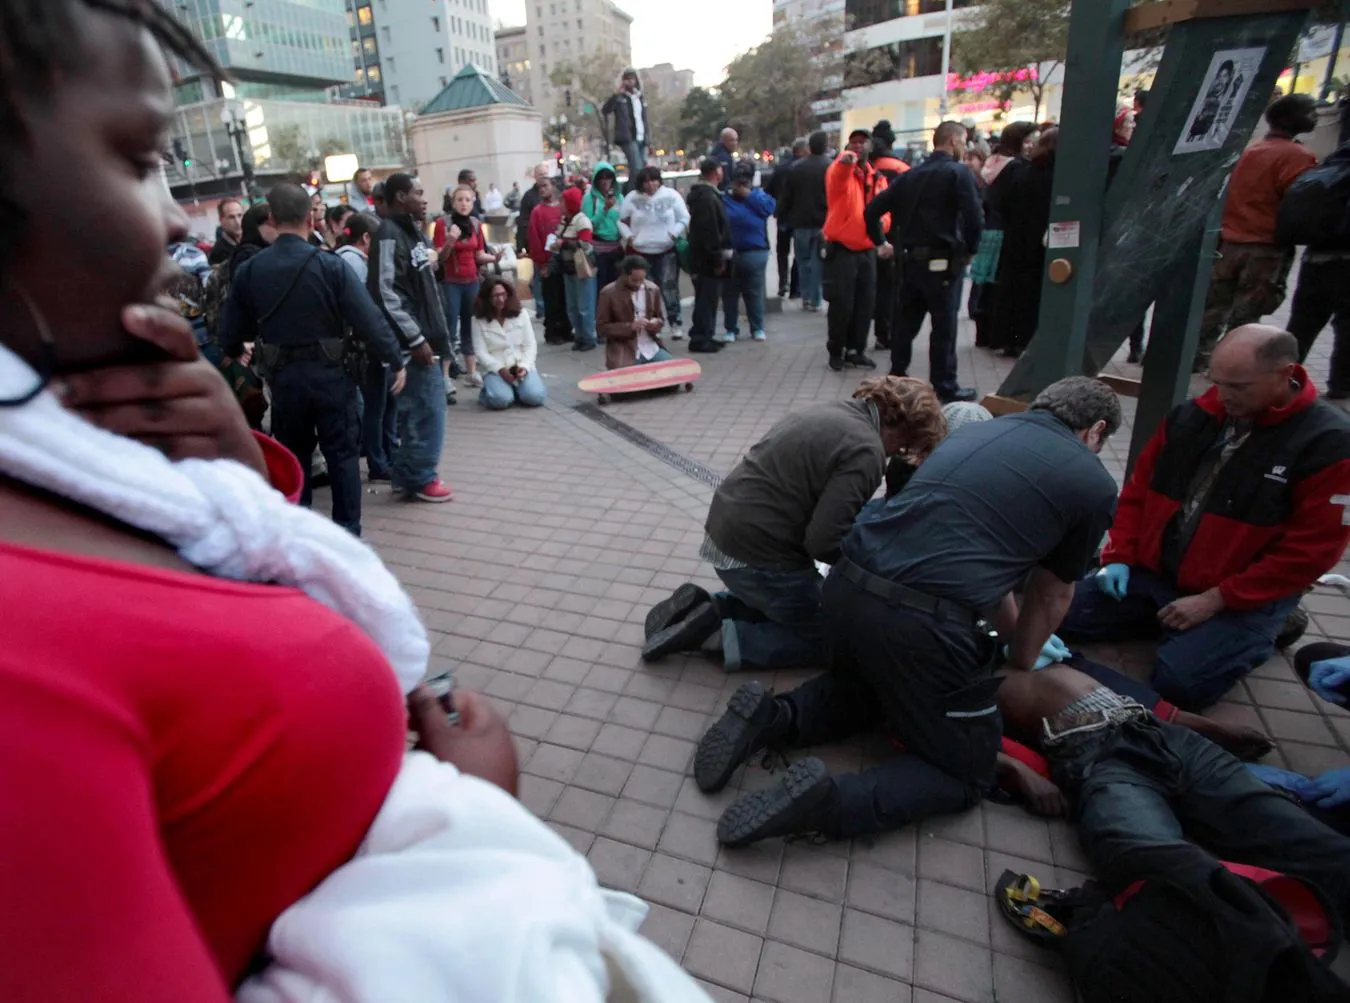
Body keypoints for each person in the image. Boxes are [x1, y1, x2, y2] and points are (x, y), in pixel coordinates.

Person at [0, 7, 713, 998]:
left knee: (332, 462)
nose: (172, 219)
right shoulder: (22, 671)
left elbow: (211, 562)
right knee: (348, 463)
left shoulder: (90, 449)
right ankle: (374, 496)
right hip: (332, 382)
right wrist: (471, 826)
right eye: (135, 157)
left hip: (284, 390)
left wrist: (231, 460)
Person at [699, 377, 1121, 847]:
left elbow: (990, 563)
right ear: (1095, 430)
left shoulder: (975, 434)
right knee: (964, 773)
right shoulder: (1091, 481)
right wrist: (1022, 656)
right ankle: (828, 802)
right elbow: (1050, 594)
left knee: (871, 691)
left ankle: (771, 718)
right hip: (922, 623)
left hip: (847, 587)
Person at [1059, 326, 1350, 710]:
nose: (1223, 394)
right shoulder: (1193, 416)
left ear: (1285, 374)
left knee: (1182, 685)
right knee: (1053, 612)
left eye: (1239, 386)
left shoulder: (1329, 444)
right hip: (1157, 573)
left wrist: (1218, 599)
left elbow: (1309, 553)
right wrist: (1120, 557)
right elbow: (1139, 491)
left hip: (1237, 595)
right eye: (1218, 381)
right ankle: (1170, 621)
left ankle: (1273, 623)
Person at [993, 663, 1350, 925]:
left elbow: (1146, 701)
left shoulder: (1040, 634)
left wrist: (1213, 728)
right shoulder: (959, 662)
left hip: (1165, 736)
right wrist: (1017, 768)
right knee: (1146, 859)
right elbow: (944, 736)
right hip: (1095, 758)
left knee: (1297, 832)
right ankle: (1251, 940)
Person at [643, 376, 947, 669]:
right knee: (834, 634)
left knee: (795, 602)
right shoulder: (867, 451)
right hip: (756, 555)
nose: (898, 454)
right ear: (904, 429)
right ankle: (716, 637)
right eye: (907, 447)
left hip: (726, 531)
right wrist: (864, 574)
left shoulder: (833, 410)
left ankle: (711, 610)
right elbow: (823, 541)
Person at [219, 183, 406, 536]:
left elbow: (230, 334)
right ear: (310, 217)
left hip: (285, 381)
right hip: (332, 377)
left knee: (295, 459)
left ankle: (299, 535)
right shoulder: (330, 266)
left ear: (271, 219)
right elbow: (369, 320)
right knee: (342, 458)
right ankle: (348, 536)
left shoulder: (250, 270)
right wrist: (395, 359)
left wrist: (237, 351)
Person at [1194, 94, 1319, 371]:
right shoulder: (1297, 157)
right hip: (1264, 248)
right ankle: (1233, 365)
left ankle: (1199, 359)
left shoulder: (1251, 151)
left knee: (1214, 309)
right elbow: (1300, 204)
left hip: (1230, 244)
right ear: (1288, 118)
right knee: (1246, 316)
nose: (1316, 116)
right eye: (1310, 111)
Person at [866, 120, 981, 402]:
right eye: (963, 141)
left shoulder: (910, 176)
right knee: (943, 328)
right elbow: (974, 217)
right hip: (943, 264)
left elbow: (872, 210)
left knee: (905, 325)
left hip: (910, 264)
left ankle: (896, 377)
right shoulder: (957, 174)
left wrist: (882, 242)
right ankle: (944, 384)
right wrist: (969, 249)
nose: (965, 147)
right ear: (953, 140)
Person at [368, 172, 454, 503]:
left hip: (424, 338)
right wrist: (416, 339)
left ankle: (405, 475)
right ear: (402, 197)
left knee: (416, 411)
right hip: (412, 346)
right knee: (427, 411)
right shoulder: (389, 234)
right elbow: (386, 293)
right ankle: (421, 476)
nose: (425, 198)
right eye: (418, 193)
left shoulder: (411, 232)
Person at [1285, 140, 1350, 399]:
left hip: (1316, 258)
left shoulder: (1333, 163)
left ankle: (1284, 379)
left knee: (1302, 325)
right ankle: (1340, 385)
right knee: (1347, 328)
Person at [336, 213, 398, 483]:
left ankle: (386, 455)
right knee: (376, 405)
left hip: (363, 344)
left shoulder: (344, 259)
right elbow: (367, 308)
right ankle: (378, 462)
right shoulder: (354, 262)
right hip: (365, 346)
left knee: (384, 402)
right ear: (365, 238)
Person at [823, 128, 891, 373]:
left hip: (866, 250)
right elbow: (838, 173)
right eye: (854, 142)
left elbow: (885, 211)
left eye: (863, 142)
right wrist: (845, 161)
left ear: (871, 146)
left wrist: (881, 230)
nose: (859, 146)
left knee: (865, 304)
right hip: (842, 250)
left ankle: (856, 350)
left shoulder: (877, 177)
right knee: (842, 304)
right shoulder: (840, 170)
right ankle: (836, 350)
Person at [988, 127, 1058, 361]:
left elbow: (998, 201)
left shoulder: (1020, 170)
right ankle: (1023, 340)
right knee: (1031, 293)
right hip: (1039, 245)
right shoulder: (1055, 175)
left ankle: (1007, 339)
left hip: (1015, 240)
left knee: (1012, 289)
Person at [433, 185, 499, 390]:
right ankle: (444, 375)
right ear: (453, 203)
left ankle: (471, 372)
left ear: (473, 203)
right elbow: (439, 257)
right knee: (450, 327)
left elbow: (478, 254)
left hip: (471, 281)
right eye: (459, 200)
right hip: (451, 282)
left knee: (471, 326)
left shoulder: (476, 224)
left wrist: (495, 257)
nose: (463, 204)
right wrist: (450, 239)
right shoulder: (443, 223)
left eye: (468, 200)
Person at [618, 166, 690, 338]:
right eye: (646, 181)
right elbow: (620, 220)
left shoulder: (671, 196)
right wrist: (629, 237)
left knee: (669, 287)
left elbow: (684, 217)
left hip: (666, 249)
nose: (650, 184)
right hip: (641, 251)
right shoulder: (632, 198)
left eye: (654, 180)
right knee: (646, 290)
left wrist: (674, 233)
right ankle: (653, 324)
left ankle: (675, 322)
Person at [469, 278, 546, 410]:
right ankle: (489, 392)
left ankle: (517, 389)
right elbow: (480, 352)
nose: (500, 299)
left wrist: (525, 367)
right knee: (501, 400)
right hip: (495, 368)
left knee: (535, 397)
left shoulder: (521, 314)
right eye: (495, 296)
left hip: (520, 365)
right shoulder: (477, 320)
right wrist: (500, 369)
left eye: (503, 294)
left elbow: (530, 345)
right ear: (487, 298)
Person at [777, 130, 831, 314]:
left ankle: (807, 297)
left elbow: (787, 196)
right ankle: (816, 298)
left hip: (800, 222)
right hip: (823, 221)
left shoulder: (796, 168)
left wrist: (781, 215)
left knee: (803, 260)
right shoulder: (831, 167)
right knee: (819, 261)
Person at [721, 163, 776, 343]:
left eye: (746, 180)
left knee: (754, 292)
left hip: (755, 250)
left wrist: (749, 196)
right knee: (730, 293)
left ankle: (757, 327)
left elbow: (769, 209)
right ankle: (731, 328)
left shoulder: (759, 196)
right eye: (739, 180)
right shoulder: (725, 198)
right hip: (730, 252)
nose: (742, 184)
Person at [869, 122, 911, 353]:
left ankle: (874, 333)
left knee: (874, 287)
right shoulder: (900, 168)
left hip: (866, 234)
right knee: (891, 287)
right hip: (894, 233)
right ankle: (886, 334)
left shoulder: (864, 167)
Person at [685, 158, 732, 354]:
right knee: (706, 297)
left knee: (709, 298)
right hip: (707, 259)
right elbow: (709, 231)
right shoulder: (706, 198)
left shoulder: (709, 196)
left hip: (705, 257)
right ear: (715, 172)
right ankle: (701, 337)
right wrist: (717, 257)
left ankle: (706, 333)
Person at [597, 254, 672, 371]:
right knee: (628, 381)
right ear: (624, 275)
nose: (638, 284)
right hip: (624, 349)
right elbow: (601, 328)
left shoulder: (653, 289)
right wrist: (630, 327)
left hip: (650, 347)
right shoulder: (608, 293)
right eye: (634, 280)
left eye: (642, 280)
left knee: (673, 374)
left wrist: (655, 323)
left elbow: (660, 319)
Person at [526, 173, 570, 344]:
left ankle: (566, 328)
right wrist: (541, 262)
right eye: (540, 187)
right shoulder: (537, 212)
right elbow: (534, 238)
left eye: (545, 186)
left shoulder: (561, 208)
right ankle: (552, 331)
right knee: (551, 297)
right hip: (548, 259)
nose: (543, 190)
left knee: (564, 295)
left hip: (564, 257)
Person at [556, 186, 597, 352]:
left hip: (581, 269)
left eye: (562, 201)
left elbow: (586, 245)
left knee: (584, 305)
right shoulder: (566, 221)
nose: (559, 204)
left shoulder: (582, 221)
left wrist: (564, 243)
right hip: (569, 268)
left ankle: (588, 337)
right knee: (572, 306)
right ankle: (580, 336)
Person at [765, 138, 805, 300]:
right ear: (802, 150)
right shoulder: (803, 168)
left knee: (782, 251)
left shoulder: (781, 168)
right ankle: (796, 287)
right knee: (800, 251)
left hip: (782, 216)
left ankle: (783, 283)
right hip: (800, 215)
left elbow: (769, 190)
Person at [601, 69, 650, 192]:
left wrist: (648, 140)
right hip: (628, 138)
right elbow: (605, 110)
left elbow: (644, 119)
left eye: (632, 78)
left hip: (641, 137)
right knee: (636, 167)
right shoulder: (620, 98)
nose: (629, 81)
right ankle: (628, 194)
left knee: (642, 168)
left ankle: (634, 191)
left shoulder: (640, 97)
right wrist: (616, 94)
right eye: (626, 79)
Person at [516, 163, 553, 320]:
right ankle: (541, 306)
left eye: (546, 174)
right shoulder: (529, 197)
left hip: (552, 243)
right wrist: (522, 245)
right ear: (535, 177)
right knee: (538, 276)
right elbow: (523, 221)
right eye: (540, 175)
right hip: (536, 242)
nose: (543, 177)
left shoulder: (555, 193)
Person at [583, 161, 625, 295]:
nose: (605, 181)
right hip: (599, 251)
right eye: (601, 177)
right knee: (603, 289)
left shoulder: (619, 197)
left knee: (618, 287)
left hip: (617, 248)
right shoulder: (590, 199)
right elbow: (588, 225)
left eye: (608, 177)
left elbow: (624, 219)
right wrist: (604, 209)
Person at [208, 197, 244, 266]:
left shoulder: (254, 240)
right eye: (231, 217)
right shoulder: (217, 253)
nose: (238, 222)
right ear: (221, 220)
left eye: (240, 215)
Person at [712, 127, 739, 192]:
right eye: (731, 140)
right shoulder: (721, 157)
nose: (735, 143)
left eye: (736, 140)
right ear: (723, 140)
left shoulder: (726, 154)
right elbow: (725, 182)